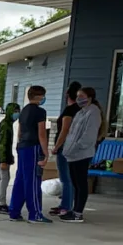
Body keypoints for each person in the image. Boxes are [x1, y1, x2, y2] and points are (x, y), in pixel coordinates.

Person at [57, 87, 106, 223]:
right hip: (72, 154)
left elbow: (88, 136)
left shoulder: (93, 112)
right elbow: (72, 133)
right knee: (75, 183)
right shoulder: (80, 112)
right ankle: (74, 209)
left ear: (90, 97)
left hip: (82, 154)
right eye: (78, 96)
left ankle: (78, 213)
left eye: (82, 96)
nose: (79, 99)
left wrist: (76, 147)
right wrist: (68, 148)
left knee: (80, 183)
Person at [8, 86, 51, 223]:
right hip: (33, 147)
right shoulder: (40, 112)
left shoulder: (24, 110)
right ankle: (35, 213)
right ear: (39, 96)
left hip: (22, 146)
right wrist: (45, 152)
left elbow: (20, 131)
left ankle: (14, 211)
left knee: (20, 179)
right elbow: (42, 134)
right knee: (33, 180)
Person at [49, 81, 83, 216]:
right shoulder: (80, 110)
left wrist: (56, 146)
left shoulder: (70, 110)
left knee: (65, 178)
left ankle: (66, 206)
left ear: (67, 94)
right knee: (70, 177)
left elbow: (65, 130)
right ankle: (67, 204)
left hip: (65, 147)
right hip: (75, 147)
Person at [0, 102, 19, 213]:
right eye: (15, 111)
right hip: (1, 155)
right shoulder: (6, 125)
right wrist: (3, 160)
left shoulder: (5, 123)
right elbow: (3, 143)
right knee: (4, 179)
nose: (17, 114)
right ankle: (1, 203)